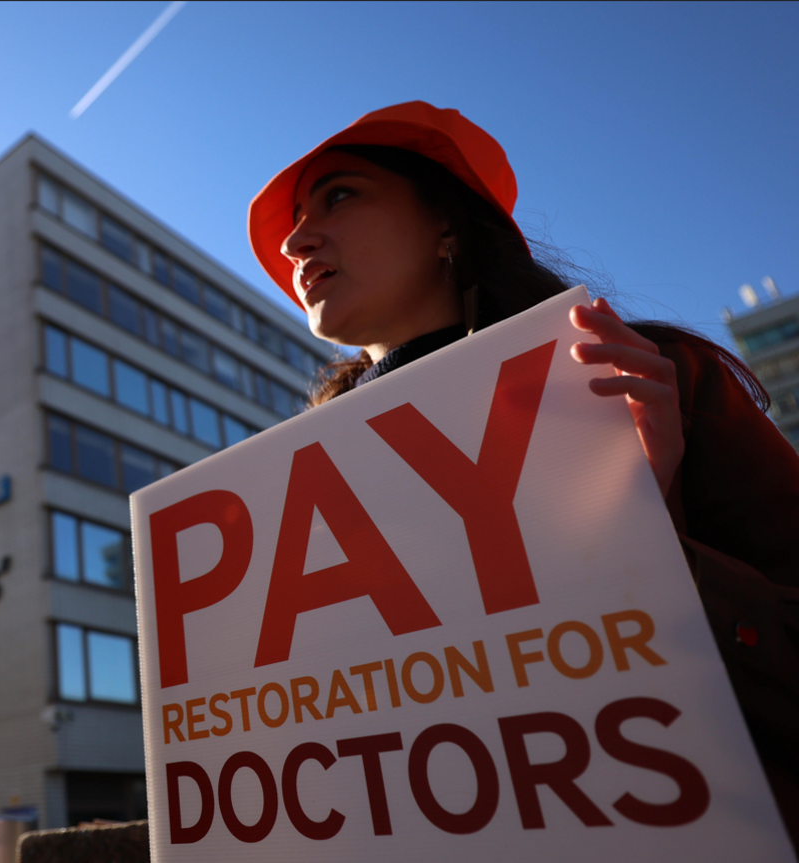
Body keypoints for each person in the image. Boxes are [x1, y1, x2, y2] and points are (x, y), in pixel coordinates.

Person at [248, 101, 799, 839]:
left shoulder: (650, 380)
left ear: (448, 226)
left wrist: (653, 534)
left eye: (339, 195)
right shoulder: (286, 494)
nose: (293, 240)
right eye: (293, 221)